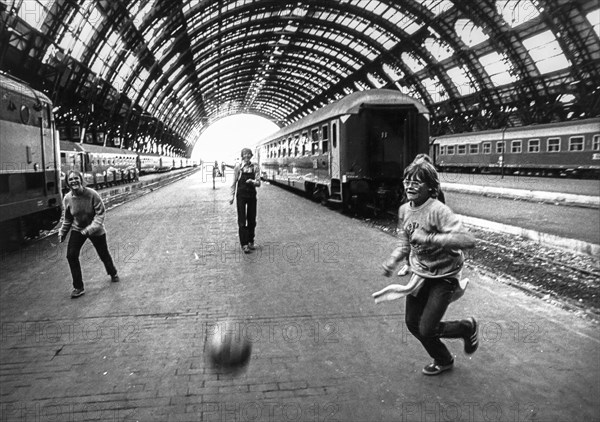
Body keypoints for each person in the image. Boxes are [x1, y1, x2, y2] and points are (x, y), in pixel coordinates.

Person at [374, 160, 477, 376]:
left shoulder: (438, 211)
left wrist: (430, 238)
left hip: (445, 276)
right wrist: (393, 260)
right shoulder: (404, 210)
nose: (409, 186)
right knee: (413, 324)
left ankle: (466, 328)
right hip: (421, 274)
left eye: (416, 182)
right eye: (407, 181)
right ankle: (444, 359)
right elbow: (405, 243)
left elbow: (467, 240)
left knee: (427, 328)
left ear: (430, 187)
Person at [58, 171, 119, 298]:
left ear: (81, 180)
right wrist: (62, 232)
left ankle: (112, 272)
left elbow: (100, 214)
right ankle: (78, 287)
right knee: (71, 255)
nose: (74, 181)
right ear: (68, 183)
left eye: (76, 178)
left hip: (95, 229)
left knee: (103, 254)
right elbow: (68, 218)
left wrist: (90, 229)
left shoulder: (92, 194)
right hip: (78, 229)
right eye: (71, 180)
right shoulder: (67, 198)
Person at [397, 153, 445, 276]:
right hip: (413, 220)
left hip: (428, 221)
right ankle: (407, 264)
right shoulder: (411, 184)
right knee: (408, 242)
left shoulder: (435, 188)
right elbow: (406, 201)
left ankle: (428, 267)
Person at [230, 148, 261, 253]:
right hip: (241, 195)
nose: (247, 156)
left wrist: (252, 181)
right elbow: (234, 182)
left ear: (251, 155)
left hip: (252, 195)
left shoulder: (255, 167)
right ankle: (244, 244)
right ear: (242, 156)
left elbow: (259, 183)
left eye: (248, 154)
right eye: (245, 154)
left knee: (252, 219)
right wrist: (232, 196)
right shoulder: (238, 167)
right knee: (242, 220)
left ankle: (251, 241)